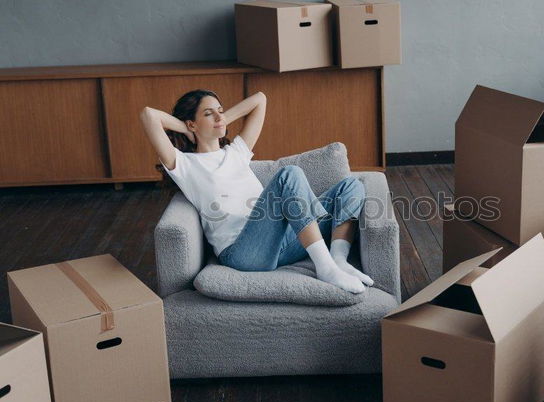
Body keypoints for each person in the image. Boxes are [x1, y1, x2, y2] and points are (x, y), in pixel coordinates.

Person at [140, 89, 373, 294]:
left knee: (351, 186)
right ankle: (326, 268)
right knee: (289, 175)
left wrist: (217, 119)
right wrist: (187, 127)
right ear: (192, 123)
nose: (220, 116)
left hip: (282, 244)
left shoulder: (235, 152)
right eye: (209, 113)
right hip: (243, 252)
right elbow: (149, 115)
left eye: (221, 110)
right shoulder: (184, 164)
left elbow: (260, 99)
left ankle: (338, 259)